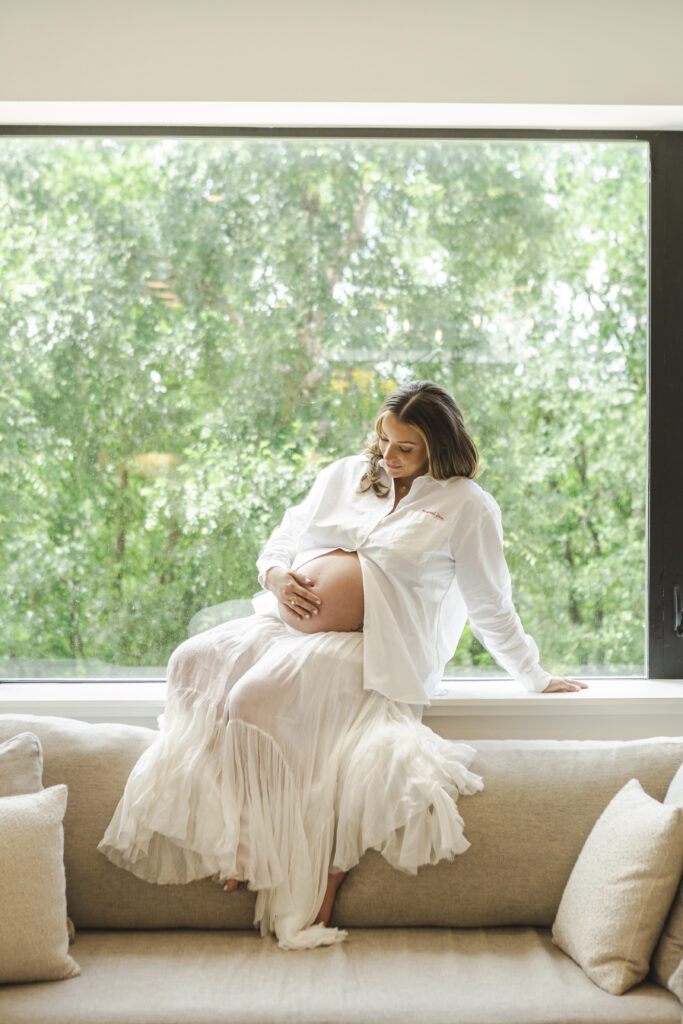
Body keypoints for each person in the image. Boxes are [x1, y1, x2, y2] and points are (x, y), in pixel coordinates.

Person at [99, 380, 586, 950]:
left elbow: (490, 602)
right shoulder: (345, 475)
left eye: (405, 446)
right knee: (189, 663)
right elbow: (284, 535)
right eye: (383, 439)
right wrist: (275, 576)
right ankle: (232, 816)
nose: (387, 455)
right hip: (287, 622)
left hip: (372, 645)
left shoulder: (465, 505)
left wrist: (533, 674)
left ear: (439, 444)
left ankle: (257, 843)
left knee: (251, 701)